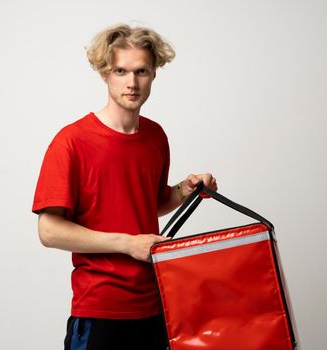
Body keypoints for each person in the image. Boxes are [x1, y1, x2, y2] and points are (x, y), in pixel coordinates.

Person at [32, 24, 217, 350]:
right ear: (105, 74)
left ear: (154, 74)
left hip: (155, 305)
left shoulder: (156, 137)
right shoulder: (71, 142)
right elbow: (49, 230)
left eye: (141, 71)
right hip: (100, 308)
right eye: (121, 70)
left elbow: (147, 203)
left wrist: (183, 190)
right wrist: (128, 244)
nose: (132, 83)